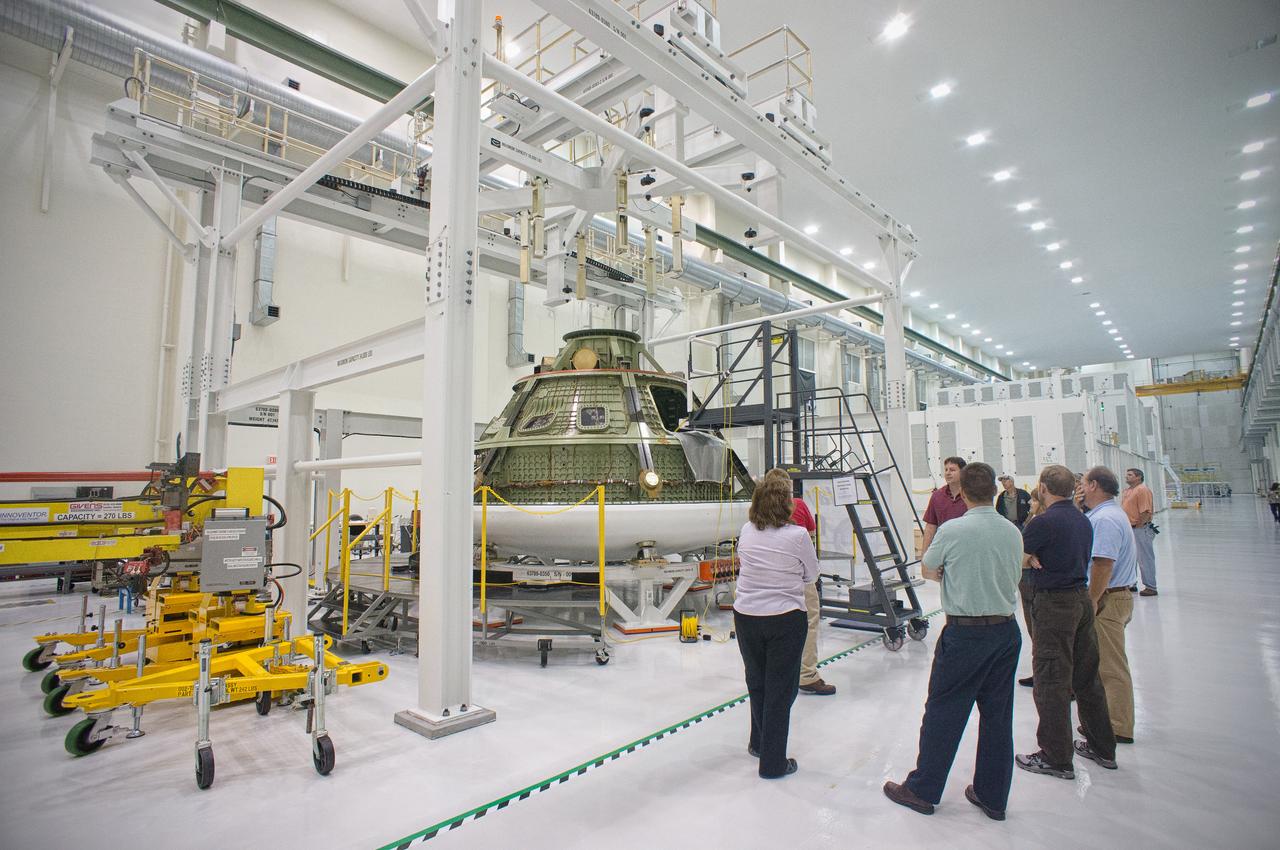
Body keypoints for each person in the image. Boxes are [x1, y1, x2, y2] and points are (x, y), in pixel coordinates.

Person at [883, 462, 1023, 821]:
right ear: (994, 491)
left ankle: (922, 789)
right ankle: (993, 796)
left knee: (944, 712)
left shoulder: (953, 530)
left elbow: (929, 566)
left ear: (964, 492)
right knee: (997, 717)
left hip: (966, 634)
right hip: (1006, 632)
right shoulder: (1012, 531)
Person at [1015, 465, 1117, 780]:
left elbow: (1016, 557)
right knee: (1087, 677)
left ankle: (1056, 756)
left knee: (1051, 680)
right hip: (1081, 599)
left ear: (1043, 488)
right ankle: (1102, 746)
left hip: (1054, 604)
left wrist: (1028, 558)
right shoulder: (1083, 520)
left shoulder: (1043, 523)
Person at [733, 468, 819, 779]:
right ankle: (772, 763)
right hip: (784, 619)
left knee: (757, 682)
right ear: (787, 504)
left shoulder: (747, 530)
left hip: (747, 617)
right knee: (781, 690)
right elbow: (812, 574)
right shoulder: (797, 536)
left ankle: (758, 742)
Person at [1083, 466, 1140, 745]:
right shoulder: (1108, 514)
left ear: (1094, 485)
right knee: (1101, 663)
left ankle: (1118, 726)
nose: (1081, 489)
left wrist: (1093, 599)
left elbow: (1103, 564)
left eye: (1084, 483)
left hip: (1108, 598)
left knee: (1111, 666)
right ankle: (1104, 720)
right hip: (1112, 596)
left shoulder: (1105, 519)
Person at [789, 492, 836, 696]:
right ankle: (806, 675)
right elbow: (811, 533)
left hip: (769, 583)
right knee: (809, 620)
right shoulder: (798, 505)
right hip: (799, 577)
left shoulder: (755, 518)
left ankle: (784, 673)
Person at [1016, 491, 1045, 688]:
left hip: (1033, 580)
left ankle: (1044, 675)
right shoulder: (1032, 520)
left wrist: (1027, 557)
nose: (1031, 503)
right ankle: (1039, 672)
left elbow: (1025, 552)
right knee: (1033, 629)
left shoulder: (1041, 523)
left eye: (1034, 500)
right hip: (1025, 579)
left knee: (1038, 629)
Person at [921, 457, 968, 553]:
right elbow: (930, 527)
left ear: (963, 473)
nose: (947, 473)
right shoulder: (937, 496)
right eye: (946, 470)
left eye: (952, 470)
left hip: (965, 549)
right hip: (942, 549)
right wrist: (924, 554)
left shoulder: (972, 496)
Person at [1122, 469, 1158, 596]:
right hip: (1130, 528)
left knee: (1145, 559)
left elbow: (1145, 512)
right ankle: (1131, 583)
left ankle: (1151, 586)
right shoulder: (1128, 491)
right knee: (1130, 558)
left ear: (1138, 477)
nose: (1126, 477)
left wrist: (1138, 526)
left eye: (1130, 475)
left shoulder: (1142, 490)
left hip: (1140, 529)